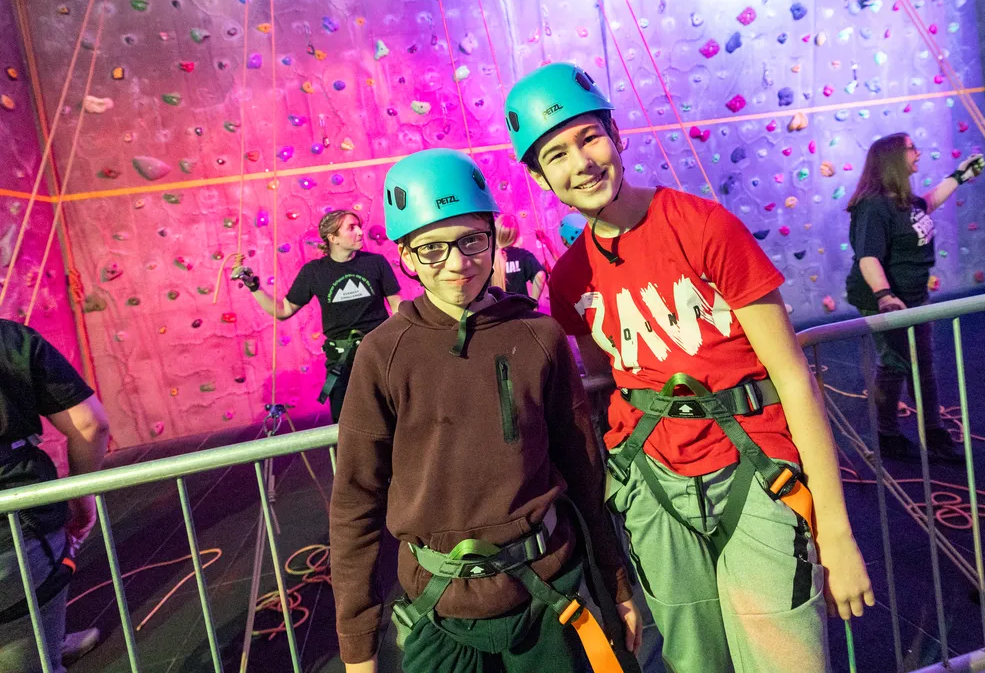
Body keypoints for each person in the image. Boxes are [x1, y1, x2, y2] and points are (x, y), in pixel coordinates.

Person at [505, 62, 874, 672]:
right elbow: (608, 377)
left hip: (752, 473)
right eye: (556, 154)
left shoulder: (706, 230)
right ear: (542, 176)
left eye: (589, 137)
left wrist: (835, 530)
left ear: (616, 134)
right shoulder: (571, 278)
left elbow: (791, 376)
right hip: (655, 488)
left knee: (788, 660)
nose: (581, 163)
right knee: (694, 662)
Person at [329, 149, 641, 673]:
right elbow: (356, 501)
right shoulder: (382, 355)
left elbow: (585, 473)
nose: (456, 263)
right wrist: (357, 642)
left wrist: (615, 583)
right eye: (431, 249)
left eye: (471, 239)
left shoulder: (538, 337)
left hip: (546, 599)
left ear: (493, 237)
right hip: (440, 609)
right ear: (405, 256)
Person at [845, 133, 985, 463]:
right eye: (911, 149)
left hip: (913, 295)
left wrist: (959, 176)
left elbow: (929, 203)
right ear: (894, 158)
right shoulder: (873, 207)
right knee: (894, 365)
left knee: (923, 364)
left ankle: (933, 432)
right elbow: (868, 257)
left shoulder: (902, 200)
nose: (918, 153)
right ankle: (888, 435)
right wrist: (885, 296)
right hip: (886, 297)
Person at [0, 320, 109, 672]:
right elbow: (90, 424)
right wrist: (80, 499)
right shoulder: (10, 338)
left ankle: (50, 641)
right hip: (15, 527)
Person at [232, 210, 401, 423]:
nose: (360, 232)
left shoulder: (376, 262)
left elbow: (397, 306)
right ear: (333, 238)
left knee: (394, 418)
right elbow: (283, 310)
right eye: (351, 227)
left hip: (381, 354)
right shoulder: (314, 272)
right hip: (342, 361)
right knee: (347, 425)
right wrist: (253, 286)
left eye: (359, 226)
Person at [491, 214, 547, 301]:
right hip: (521, 310)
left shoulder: (490, 260)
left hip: (498, 312)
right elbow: (540, 276)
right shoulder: (523, 256)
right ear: (516, 234)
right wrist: (534, 301)